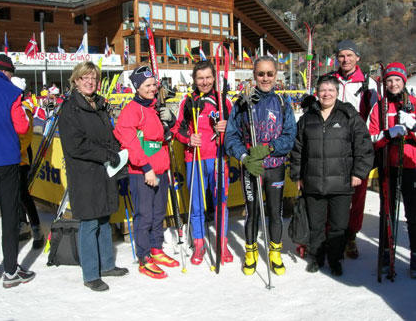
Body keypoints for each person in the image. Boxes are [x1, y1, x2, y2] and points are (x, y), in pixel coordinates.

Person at [290, 76, 374, 276]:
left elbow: (363, 146)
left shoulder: (348, 115)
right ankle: (317, 257)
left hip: (342, 182)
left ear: (337, 92)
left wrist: (358, 173)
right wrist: (297, 175)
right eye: (322, 90)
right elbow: (297, 150)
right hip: (313, 181)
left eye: (330, 90)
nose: (326, 94)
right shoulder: (307, 118)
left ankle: (335, 259)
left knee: (338, 226)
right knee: (316, 225)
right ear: (316, 93)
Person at [58, 61, 128, 292]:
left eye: (94, 78)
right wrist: (107, 154)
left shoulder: (99, 105)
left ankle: (107, 265)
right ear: (76, 80)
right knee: (89, 222)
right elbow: (76, 145)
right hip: (84, 174)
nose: (90, 82)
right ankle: (90, 274)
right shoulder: (70, 109)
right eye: (85, 77)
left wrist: (117, 149)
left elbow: (107, 135)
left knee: (104, 219)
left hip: (103, 171)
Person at [225, 55, 297, 276]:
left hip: (274, 166)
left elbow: (290, 136)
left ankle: (274, 252)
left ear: (276, 76)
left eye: (270, 74)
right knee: (252, 212)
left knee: (275, 212)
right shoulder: (243, 102)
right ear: (254, 75)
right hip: (252, 168)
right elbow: (231, 137)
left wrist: (270, 148)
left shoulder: (284, 103)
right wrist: (245, 157)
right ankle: (251, 251)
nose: (265, 78)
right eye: (260, 74)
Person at [114, 66, 178, 279]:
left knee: (159, 212)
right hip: (142, 171)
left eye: (154, 84)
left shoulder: (153, 108)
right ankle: (143, 256)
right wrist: (146, 168)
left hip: (160, 168)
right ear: (137, 87)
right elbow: (130, 142)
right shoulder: (131, 110)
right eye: (147, 85)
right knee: (145, 215)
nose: (153, 88)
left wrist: (169, 123)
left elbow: (164, 135)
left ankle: (156, 248)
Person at [171, 60, 233, 265]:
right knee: (196, 205)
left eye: (208, 77)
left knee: (220, 202)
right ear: (194, 80)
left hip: (217, 158)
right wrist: (188, 139)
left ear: (214, 78)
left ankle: (222, 244)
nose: (204, 82)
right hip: (195, 159)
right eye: (200, 78)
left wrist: (226, 127)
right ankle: (199, 243)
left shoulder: (223, 100)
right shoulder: (188, 101)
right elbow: (177, 129)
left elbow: (236, 129)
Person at [0, 54, 34, 288]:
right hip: (5, 160)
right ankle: (12, 271)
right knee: (10, 215)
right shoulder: (11, 91)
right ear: (6, 72)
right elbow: (23, 126)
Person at [366, 62, 416, 278]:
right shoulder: (380, 106)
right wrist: (388, 134)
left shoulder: (414, 103)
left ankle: (415, 254)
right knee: (387, 212)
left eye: (397, 80)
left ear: (404, 81)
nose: (393, 84)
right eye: (389, 80)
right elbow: (370, 137)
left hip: (412, 165)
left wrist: (413, 127)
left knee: (413, 212)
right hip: (389, 165)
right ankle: (386, 252)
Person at [331, 40, 379, 258]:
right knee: (333, 192)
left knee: (357, 195)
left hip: (356, 146)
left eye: (349, 55)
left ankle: (351, 235)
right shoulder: (330, 80)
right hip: (332, 144)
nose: (345, 59)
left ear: (357, 57)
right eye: (342, 55)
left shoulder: (368, 83)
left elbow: (373, 118)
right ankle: (334, 235)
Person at [10, 77, 44, 249]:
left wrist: (11, 151)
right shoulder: (7, 108)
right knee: (13, 197)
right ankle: (22, 225)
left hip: (19, 160)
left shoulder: (25, 110)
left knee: (23, 195)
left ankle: (36, 228)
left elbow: (25, 138)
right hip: (7, 160)